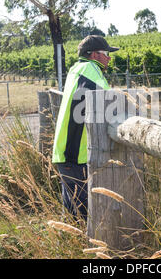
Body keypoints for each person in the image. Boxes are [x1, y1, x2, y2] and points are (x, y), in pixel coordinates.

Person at [52, 35, 119, 221]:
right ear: (95, 55)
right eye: (106, 53)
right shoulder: (90, 69)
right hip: (76, 154)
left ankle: (71, 247)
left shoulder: (77, 68)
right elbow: (109, 103)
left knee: (73, 215)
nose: (109, 58)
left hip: (66, 151)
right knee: (83, 216)